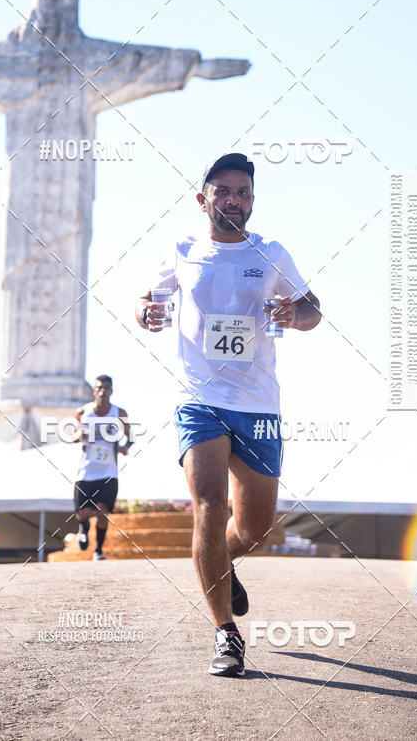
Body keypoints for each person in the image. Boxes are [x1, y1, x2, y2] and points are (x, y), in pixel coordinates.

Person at [135, 152, 321, 677]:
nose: (234, 199)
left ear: (253, 200)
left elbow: (314, 309)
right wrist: (146, 311)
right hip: (199, 399)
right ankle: (226, 633)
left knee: (255, 527)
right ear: (204, 199)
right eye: (224, 191)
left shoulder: (271, 253)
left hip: (258, 404)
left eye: (243, 191)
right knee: (210, 508)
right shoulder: (183, 250)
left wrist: (295, 314)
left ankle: (223, 559)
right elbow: (147, 299)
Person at [72, 376, 132, 560]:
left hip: (108, 471)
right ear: (94, 391)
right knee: (82, 512)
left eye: (106, 388)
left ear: (111, 391)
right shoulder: (83, 412)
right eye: (99, 387)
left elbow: (130, 437)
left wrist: (125, 447)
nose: (102, 391)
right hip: (86, 470)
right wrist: (79, 435)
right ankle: (83, 526)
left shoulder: (119, 413)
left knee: (102, 511)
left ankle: (98, 549)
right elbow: (73, 436)